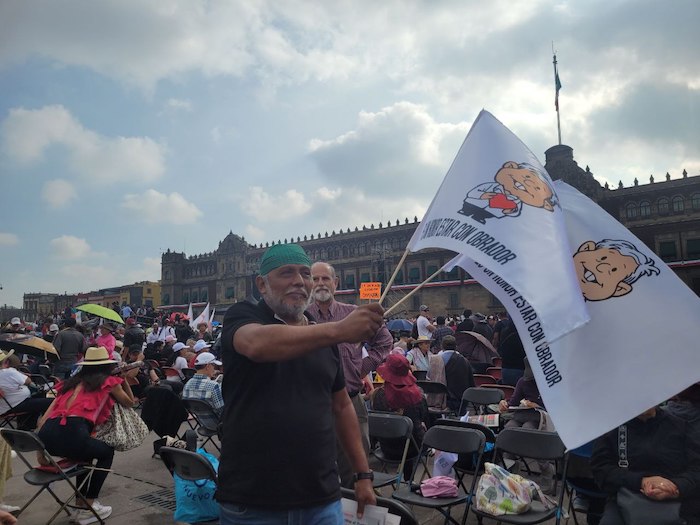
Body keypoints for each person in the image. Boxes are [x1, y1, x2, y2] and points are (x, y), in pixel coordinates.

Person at [218, 243, 383, 523]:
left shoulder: (322, 336)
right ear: (262, 284)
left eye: (305, 274)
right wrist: (340, 329)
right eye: (286, 273)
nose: (299, 281)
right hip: (252, 500)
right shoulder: (242, 315)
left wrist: (363, 474)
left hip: (322, 498)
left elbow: (342, 406)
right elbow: (257, 344)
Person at [309, 261, 393, 488]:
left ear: (335, 283)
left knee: (356, 471)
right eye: (314, 279)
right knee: (312, 466)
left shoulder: (355, 314)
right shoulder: (301, 319)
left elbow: (385, 342)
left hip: (351, 399)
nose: (320, 283)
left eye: (325, 278)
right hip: (312, 404)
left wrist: (363, 367)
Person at [36, 346, 136, 525]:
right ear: (107, 366)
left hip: (47, 436)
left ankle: (79, 503)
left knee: (86, 456)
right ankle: (89, 503)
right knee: (106, 453)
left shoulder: (71, 383)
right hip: (74, 432)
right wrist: (124, 380)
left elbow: (43, 420)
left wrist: (40, 449)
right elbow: (130, 402)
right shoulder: (108, 381)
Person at [591, 405, 700, 524]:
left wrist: (676, 487)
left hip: (678, 503)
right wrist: (642, 481)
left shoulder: (680, 426)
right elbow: (602, 470)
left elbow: (696, 469)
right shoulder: (612, 430)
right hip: (626, 499)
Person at [369, 353, 429, 480]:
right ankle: (409, 480)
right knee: (410, 434)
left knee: (404, 434)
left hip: (386, 447)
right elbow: (424, 417)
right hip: (413, 449)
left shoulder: (377, 395)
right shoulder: (418, 396)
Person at [0, 351, 53, 430]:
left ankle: (26, 426)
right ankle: (44, 428)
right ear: (7, 361)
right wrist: (20, 375)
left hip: (6, 406)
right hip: (14, 405)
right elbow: (28, 381)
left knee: (37, 398)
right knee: (52, 402)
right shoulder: (9, 372)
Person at [182, 352, 224, 417]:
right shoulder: (214, 386)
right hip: (218, 423)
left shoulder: (187, 384)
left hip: (201, 421)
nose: (215, 369)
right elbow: (222, 411)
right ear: (208, 366)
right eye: (214, 366)